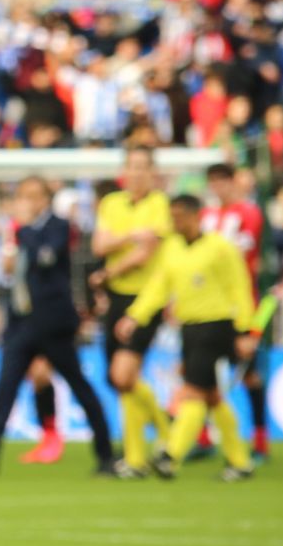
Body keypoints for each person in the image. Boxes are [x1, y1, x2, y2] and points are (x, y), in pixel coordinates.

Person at [0, 177, 116, 476]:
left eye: (32, 196)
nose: (26, 202)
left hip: (53, 324)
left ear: (45, 199)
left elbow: (46, 257)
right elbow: (4, 273)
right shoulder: (14, 232)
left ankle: (106, 454)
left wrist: (19, 230)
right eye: (22, 196)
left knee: (80, 388)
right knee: (4, 392)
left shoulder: (58, 226)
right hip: (21, 323)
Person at [116, 195, 258, 481]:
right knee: (212, 397)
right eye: (173, 216)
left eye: (180, 216)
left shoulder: (220, 248)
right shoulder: (172, 248)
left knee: (193, 391)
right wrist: (135, 315)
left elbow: (240, 288)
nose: (175, 222)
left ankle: (171, 454)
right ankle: (240, 462)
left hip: (217, 325)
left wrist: (246, 330)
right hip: (189, 327)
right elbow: (159, 287)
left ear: (195, 216)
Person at [91, 146, 173, 477]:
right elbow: (99, 245)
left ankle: (143, 450)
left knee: (123, 374)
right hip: (116, 299)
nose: (137, 173)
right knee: (120, 379)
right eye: (132, 166)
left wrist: (109, 270)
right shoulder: (112, 203)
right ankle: (156, 438)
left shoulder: (159, 205)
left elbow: (146, 252)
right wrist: (129, 236)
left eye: (143, 166)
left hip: (146, 297)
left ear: (152, 172)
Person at [202, 162, 271, 460]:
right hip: (206, 307)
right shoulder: (205, 216)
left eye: (222, 181)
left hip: (242, 306)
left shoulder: (248, 213)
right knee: (199, 372)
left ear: (233, 182)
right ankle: (203, 438)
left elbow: (241, 254)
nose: (218, 187)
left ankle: (260, 440)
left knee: (249, 375)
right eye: (213, 182)